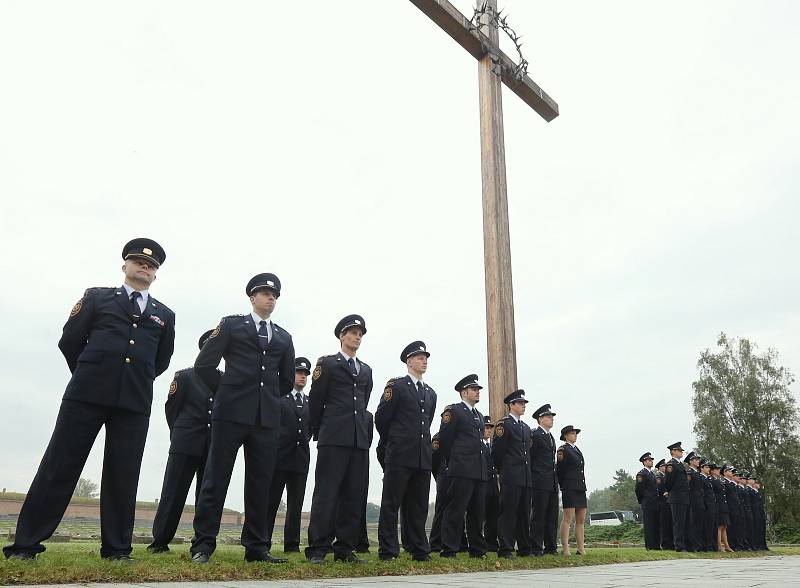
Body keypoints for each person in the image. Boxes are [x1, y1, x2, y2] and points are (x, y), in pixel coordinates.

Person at [4, 238, 175, 561]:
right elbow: (70, 341)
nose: (145, 267)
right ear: (124, 265)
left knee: (123, 475)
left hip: (134, 403)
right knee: (60, 465)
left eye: (151, 266)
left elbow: (161, 360)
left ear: (156, 275)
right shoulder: (97, 298)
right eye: (139, 261)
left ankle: (117, 549)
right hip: (86, 394)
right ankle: (25, 545)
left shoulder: (164, 314)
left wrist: (133, 379)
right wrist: (90, 372)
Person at [190, 273, 295, 564]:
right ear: (252, 298)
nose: (270, 297)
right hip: (230, 414)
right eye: (264, 293)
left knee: (261, 483)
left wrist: (268, 400)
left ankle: (257, 547)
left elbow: (286, 379)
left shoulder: (284, 337)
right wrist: (227, 391)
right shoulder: (232, 325)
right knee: (216, 478)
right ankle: (203, 545)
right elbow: (204, 365)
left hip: (265, 419)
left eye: (274, 294)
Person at [305, 315, 374, 564]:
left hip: (358, 440)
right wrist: (317, 430)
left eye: (360, 333)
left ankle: (345, 548)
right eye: (353, 332)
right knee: (327, 493)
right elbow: (316, 400)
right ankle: (318, 548)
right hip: (333, 437)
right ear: (342, 336)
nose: (357, 336)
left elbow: (364, 404)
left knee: (354, 494)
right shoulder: (328, 364)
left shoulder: (365, 369)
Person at [148, 329, 217, 554]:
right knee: (173, 492)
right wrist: (179, 434)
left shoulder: (224, 380)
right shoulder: (185, 376)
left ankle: (201, 543)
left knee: (206, 496)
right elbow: (172, 410)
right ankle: (160, 541)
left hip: (212, 446)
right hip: (185, 442)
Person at [375, 341, 437, 562]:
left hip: (422, 457)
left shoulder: (430, 393)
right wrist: (394, 441)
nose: (424, 361)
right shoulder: (397, 386)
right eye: (420, 357)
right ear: (409, 361)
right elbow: (382, 419)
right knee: (392, 503)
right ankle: (388, 549)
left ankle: (419, 548)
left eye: (425, 357)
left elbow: (426, 422)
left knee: (418, 505)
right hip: (400, 454)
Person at [437, 374, 489, 559]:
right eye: (474, 390)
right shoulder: (455, 411)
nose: (478, 393)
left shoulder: (479, 415)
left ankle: (477, 549)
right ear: (464, 392)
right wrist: (453, 462)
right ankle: (449, 548)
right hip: (461, 469)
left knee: (477, 512)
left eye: (478, 390)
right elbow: (445, 440)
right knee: (456, 509)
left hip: (479, 470)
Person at [265, 357, 312, 553]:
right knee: (271, 501)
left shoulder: (310, 402)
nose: (302, 377)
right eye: (299, 373)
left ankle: (291, 545)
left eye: (305, 374)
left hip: (300, 458)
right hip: (279, 457)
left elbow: (310, 428)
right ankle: (263, 541)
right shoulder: (278, 397)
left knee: (296, 504)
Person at [491, 390, 532, 558]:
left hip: (525, 477)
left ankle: (524, 548)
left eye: (524, 404)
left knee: (524, 513)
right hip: (510, 475)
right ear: (511, 405)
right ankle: (506, 548)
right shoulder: (504, 425)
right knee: (508, 513)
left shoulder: (525, 427)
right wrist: (503, 471)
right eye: (520, 403)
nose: (523, 406)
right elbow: (497, 452)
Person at [529, 403, 558, 556]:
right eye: (548, 416)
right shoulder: (535, 435)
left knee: (551, 517)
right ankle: (536, 547)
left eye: (552, 416)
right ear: (540, 419)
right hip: (539, 481)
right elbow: (531, 459)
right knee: (539, 516)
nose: (551, 419)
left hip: (552, 482)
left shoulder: (550, 436)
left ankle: (551, 547)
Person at [557, 425, 586, 556]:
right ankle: (566, 548)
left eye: (576, 433)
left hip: (580, 486)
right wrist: (564, 486)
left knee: (580, 519)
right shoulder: (563, 449)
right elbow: (560, 470)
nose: (575, 435)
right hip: (569, 487)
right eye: (573, 433)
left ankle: (581, 548)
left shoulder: (577, 450)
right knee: (568, 518)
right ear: (566, 435)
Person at [663, 441, 690, 552]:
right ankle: (679, 545)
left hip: (683, 497)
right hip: (677, 497)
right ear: (673, 451)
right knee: (678, 522)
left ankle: (683, 544)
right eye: (679, 450)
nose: (681, 452)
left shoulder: (679, 464)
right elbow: (668, 482)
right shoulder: (671, 465)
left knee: (683, 522)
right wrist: (671, 492)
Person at [635, 452, 660, 550]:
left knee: (655, 524)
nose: (651, 461)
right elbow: (639, 489)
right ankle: (649, 545)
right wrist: (643, 500)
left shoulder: (652, 474)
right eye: (649, 460)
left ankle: (656, 545)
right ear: (644, 462)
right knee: (649, 525)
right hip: (648, 502)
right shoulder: (642, 474)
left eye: (651, 460)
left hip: (655, 502)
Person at [482, 415, 500, 553]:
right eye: (486, 427)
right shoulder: (478, 444)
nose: (488, 430)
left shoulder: (492, 446)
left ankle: (491, 543)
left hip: (493, 486)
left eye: (490, 428)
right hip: (482, 485)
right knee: (479, 515)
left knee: (493, 516)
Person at [685, 451, 705, 551]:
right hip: (693, 501)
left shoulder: (697, 472)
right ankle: (693, 545)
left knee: (699, 524)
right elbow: (688, 488)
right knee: (693, 524)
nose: (698, 461)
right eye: (696, 460)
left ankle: (698, 544)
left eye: (698, 460)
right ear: (691, 461)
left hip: (699, 501)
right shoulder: (690, 473)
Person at [709, 464, 732, 552]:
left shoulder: (718, 480)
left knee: (724, 526)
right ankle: (719, 545)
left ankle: (726, 545)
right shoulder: (712, 480)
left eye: (719, 469)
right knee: (719, 527)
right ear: (712, 471)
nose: (718, 471)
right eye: (716, 469)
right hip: (718, 505)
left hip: (723, 505)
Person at [655, 459, 674, 549]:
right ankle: (665, 543)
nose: (665, 468)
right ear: (660, 467)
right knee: (664, 524)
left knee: (669, 523)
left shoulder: (665, 476)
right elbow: (659, 488)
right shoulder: (659, 476)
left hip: (667, 502)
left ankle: (670, 543)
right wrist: (665, 493)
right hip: (662, 502)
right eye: (664, 466)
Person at [700, 459, 717, 551]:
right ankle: (707, 546)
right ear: (701, 468)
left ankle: (711, 545)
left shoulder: (707, 479)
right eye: (706, 467)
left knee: (711, 526)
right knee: (707, 526)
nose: (708, 469)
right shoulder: (701, 478)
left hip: (711, 505)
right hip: (707, 505)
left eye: (708, 467)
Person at [723, 465, 741, 550]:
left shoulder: (731, 483)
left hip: (735, 508)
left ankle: (736, 544)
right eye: (729, 471)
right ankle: (731, 544)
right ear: (725, 473)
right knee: (730, 528)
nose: (731, 473)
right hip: (730, 508)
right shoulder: (725, 483)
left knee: (736, 527)